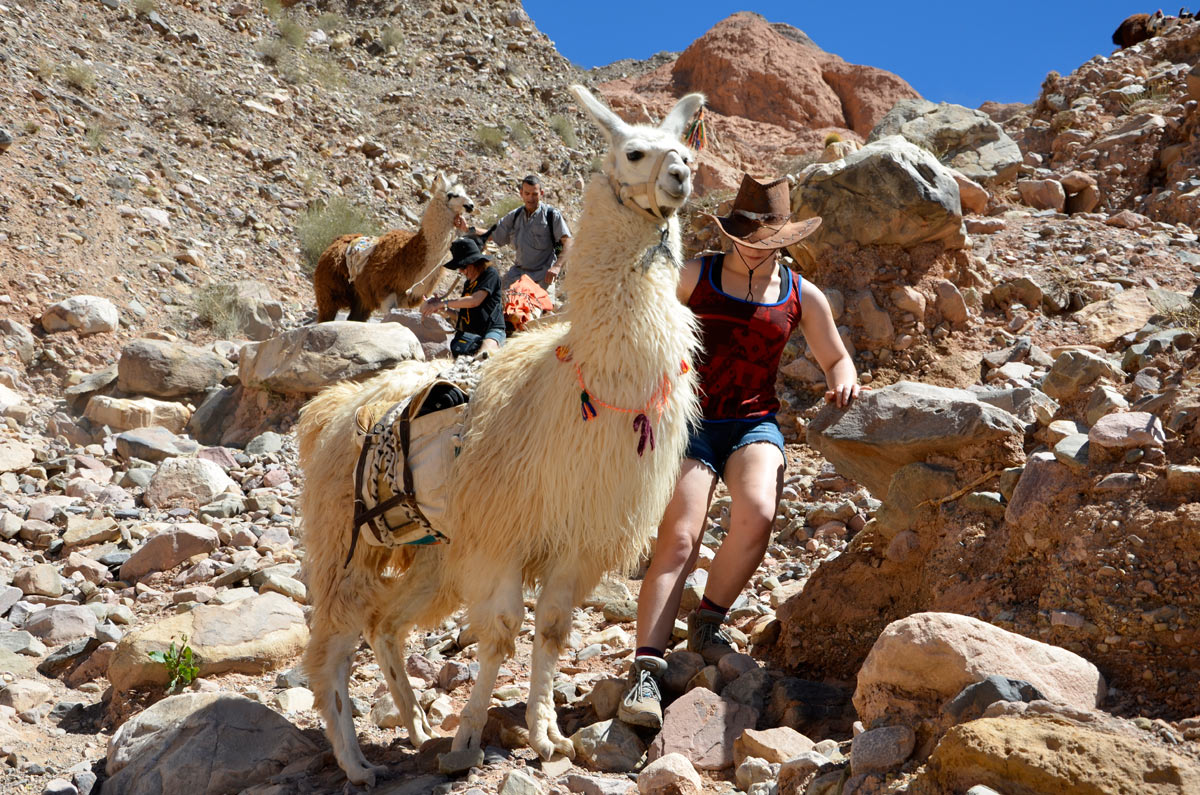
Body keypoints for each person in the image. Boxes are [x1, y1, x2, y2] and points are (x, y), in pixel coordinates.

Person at [618, 174, 862, 729]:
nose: (754, 247)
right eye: (746, 236)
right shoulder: (694, 275)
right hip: (689, 420)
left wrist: (843, 380)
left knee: (759, 513)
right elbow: (638, 318)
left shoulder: (802, 293)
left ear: (784, 240)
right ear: (731, 233)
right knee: (680, 536)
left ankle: (708, 620)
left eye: (767, 239)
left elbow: (836, 358)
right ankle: (647, 672)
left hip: (754, 421)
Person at [421, 236, 506, 357]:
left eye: (462, 267)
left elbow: (474, 301)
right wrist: (440, 308)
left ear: (473, 263)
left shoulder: (490, 274)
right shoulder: (468, 284)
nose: (460, 271)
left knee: (484, 356)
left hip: (492, 331)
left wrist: (443, 303)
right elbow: (462, 317)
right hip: (470, 336)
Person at [488, 174, 573, 290]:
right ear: (521, 193)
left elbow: (568, 242)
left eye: (534, 194)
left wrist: (557, 267)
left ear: (541, 194)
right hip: (517, 275)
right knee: (497, 300)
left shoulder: (551, 215)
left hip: (542, 278)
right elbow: (492, 234)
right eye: (527, 194)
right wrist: (468, 229)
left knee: (543, 306)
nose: (530, 198)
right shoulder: (515, 216)